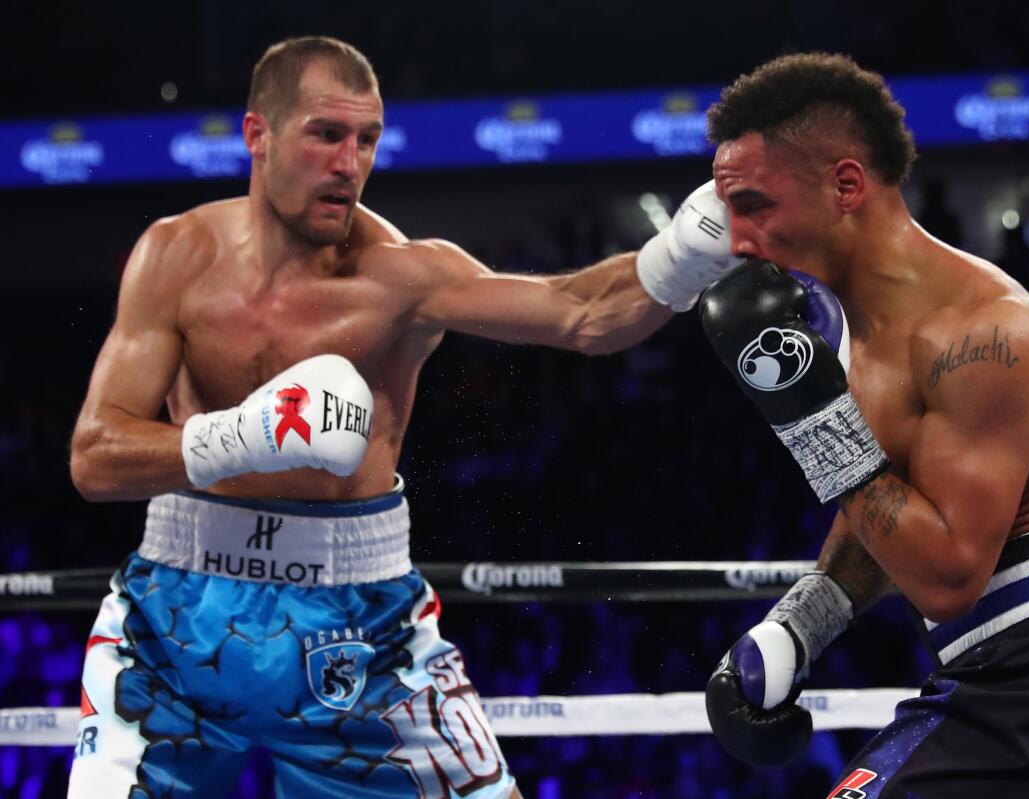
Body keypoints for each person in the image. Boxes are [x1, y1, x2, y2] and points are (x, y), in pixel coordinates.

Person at [65, 36, 734, 798]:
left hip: (361, 625)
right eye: (326, 134)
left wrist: (686, 252)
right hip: (172, 616)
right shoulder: (174, 255)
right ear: (258, 135)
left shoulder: (402, 276)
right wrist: (248, 433)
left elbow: (579, 312)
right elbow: (95, 455)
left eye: (367, 139)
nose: (350, 162)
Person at [694, 53, 1029, 797]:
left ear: (845, 186)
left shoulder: (986, 334)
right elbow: (890, 506)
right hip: (1016, 673)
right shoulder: (861, 329)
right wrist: (792, 634)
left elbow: (949, 573)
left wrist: (808, 417)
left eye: (756, 204)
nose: (737, 240)